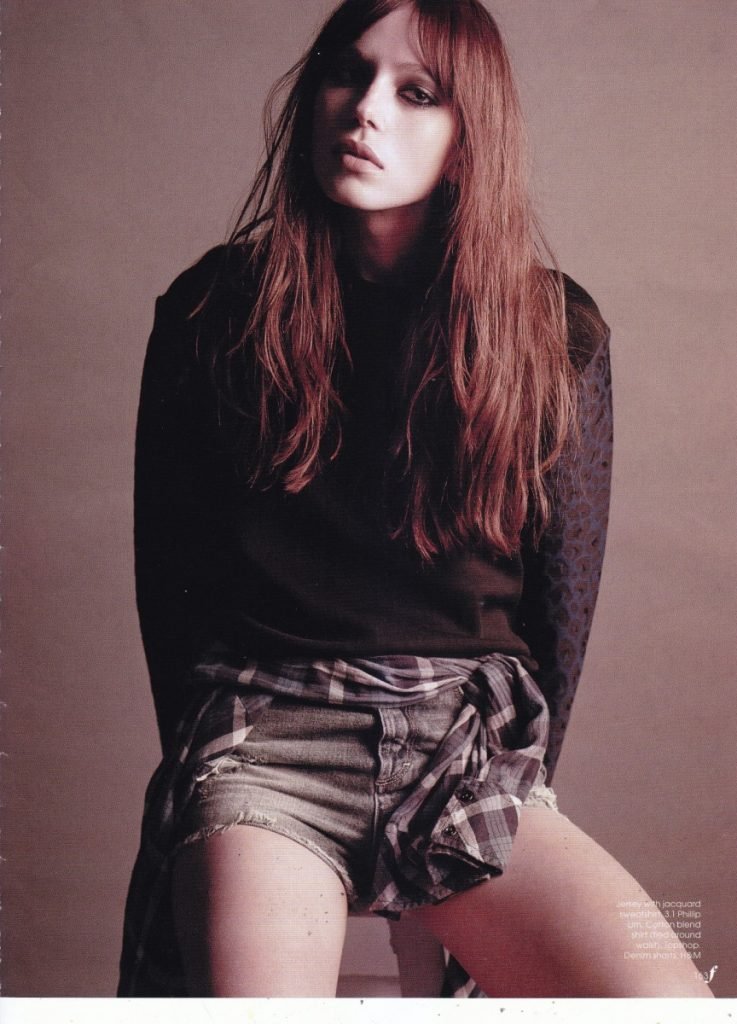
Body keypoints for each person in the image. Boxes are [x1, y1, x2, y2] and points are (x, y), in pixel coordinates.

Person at [118, 0, 711, 999]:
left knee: (671, 1007)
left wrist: (506, 809)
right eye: (346, 74)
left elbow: (560, 611)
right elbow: (167, 585)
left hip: (464, 751)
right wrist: (200, 788)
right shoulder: (212, 312)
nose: (365, 110)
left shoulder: (548, 329)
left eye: (416, 91)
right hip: (267, 743)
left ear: (468, 134)